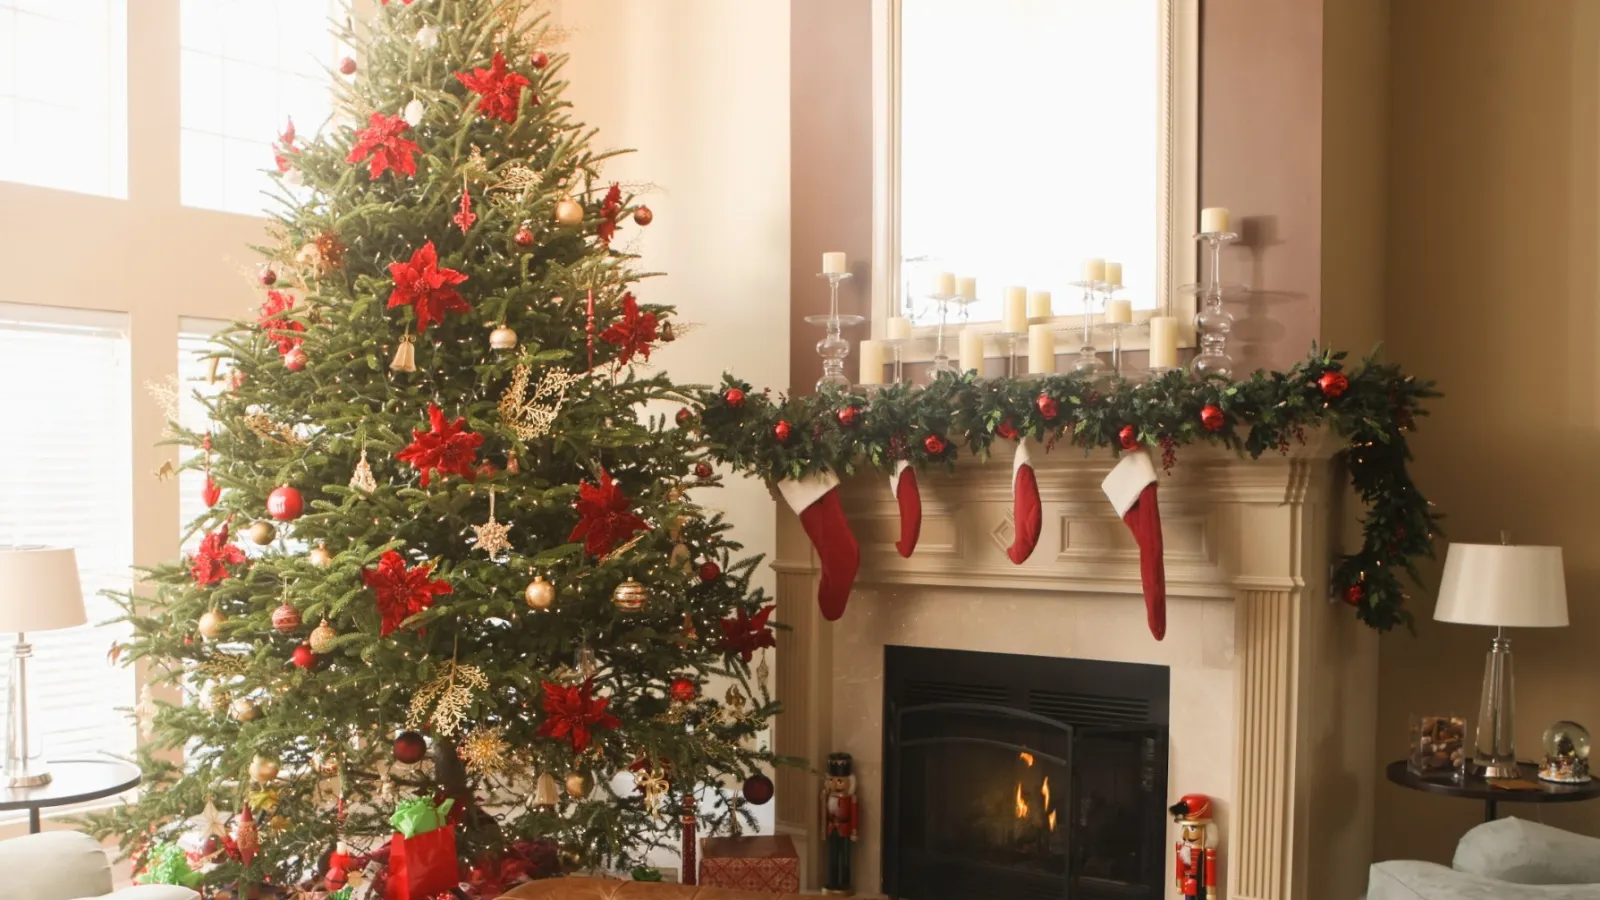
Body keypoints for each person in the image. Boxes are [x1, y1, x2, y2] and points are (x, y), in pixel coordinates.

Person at [822, 753, 858, 894]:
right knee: (832, 856)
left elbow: (854, 815)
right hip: (832, 829)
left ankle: (844, 882)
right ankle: (832, 881)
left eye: (840, 781)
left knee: (845, 857)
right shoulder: (828, 797)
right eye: (832, 780)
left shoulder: (851, 799)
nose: (836, 784)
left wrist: (854, 830)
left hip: (845, 829)